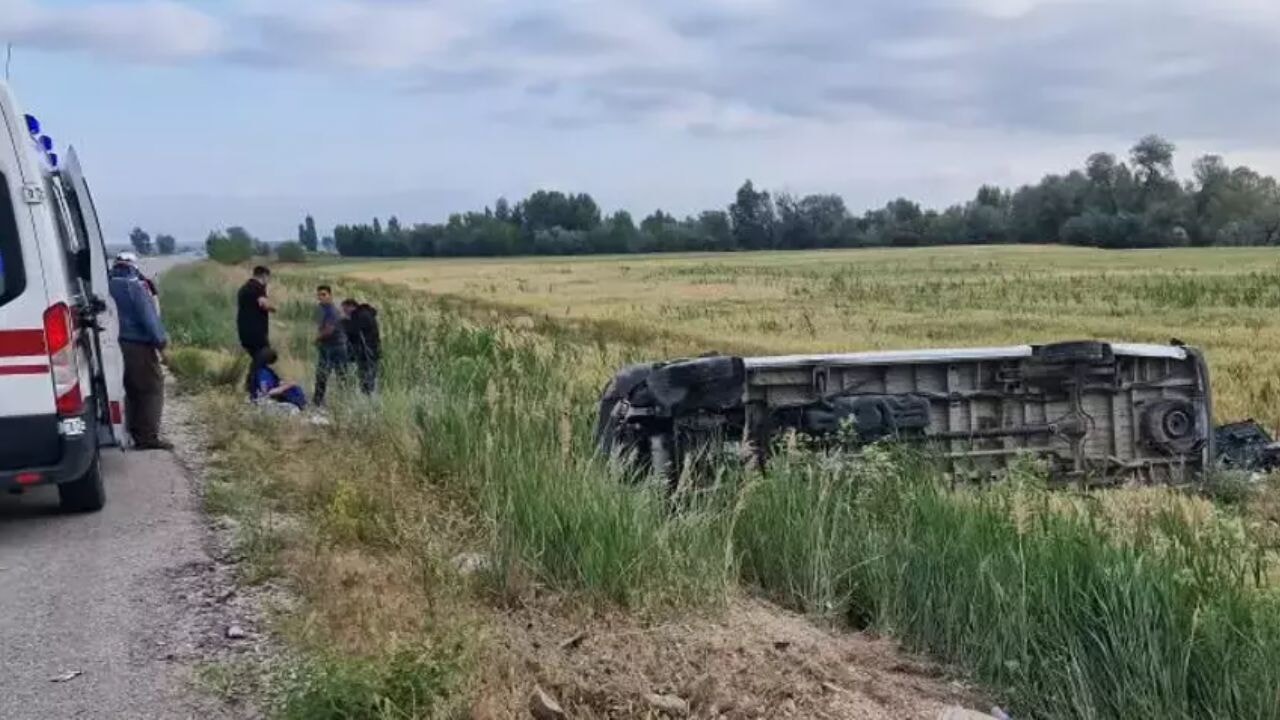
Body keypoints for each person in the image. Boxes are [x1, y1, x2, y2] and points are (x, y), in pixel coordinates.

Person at [108, 256, 171, 450]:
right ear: (133, 267)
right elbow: (149, 318)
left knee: (130, 389)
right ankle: (147, 437)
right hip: (137, 346)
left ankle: (132, 431)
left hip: (113, 344)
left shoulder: (106, 285)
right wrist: (162, 345)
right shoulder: (134, 286)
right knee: (151, 389)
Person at [237, 266, 275, 393]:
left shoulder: (243, 288)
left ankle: (256, 385)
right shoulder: (257, 288)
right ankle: (251, 385)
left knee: (258, 358)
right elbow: (264, 304)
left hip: (244, 330)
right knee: (265, 355)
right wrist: (273, 307)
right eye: (268, 278)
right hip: (256, 331)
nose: (268, 281)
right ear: (263, 275)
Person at [313, 284, 348, 406]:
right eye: (319, 295)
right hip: (326, 346)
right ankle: (317, 401)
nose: (321, 297)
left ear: (330, 295)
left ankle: (343, 402)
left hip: (337, 346)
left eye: (324, 294)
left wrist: (316, 339)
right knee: (322, 375)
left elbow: (329, 330)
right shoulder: (320, 308)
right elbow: (319, 325)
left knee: (341, 375)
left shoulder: (332, 310)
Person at [341, 298, 381, 395]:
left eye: (345, 310)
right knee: (366, 380)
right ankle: (367, 398)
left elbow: (353, 331)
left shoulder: (361, 315)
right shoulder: (364, 314)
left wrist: (342, 324)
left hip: (368, 354)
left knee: (367, 381)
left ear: (351, 306)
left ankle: (368, 401)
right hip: (369, 353)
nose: (345, 313)